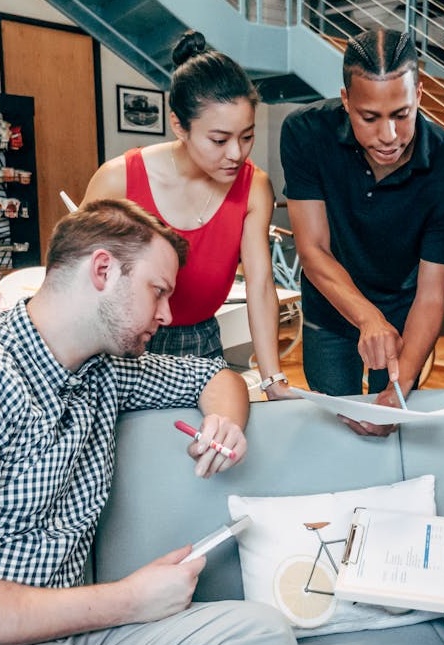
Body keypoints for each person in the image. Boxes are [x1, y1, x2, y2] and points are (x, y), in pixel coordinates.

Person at [0, 199, 297, 645]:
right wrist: (129, 600)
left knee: (260, 637)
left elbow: (216, 374)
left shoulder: (104, 369)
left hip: (79, 640)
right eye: (157, 292)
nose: (167, 315)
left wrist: (224, 420)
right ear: (103, 270)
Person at [280, 27, 444, 434]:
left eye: (401, 114)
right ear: (346, 99)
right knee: (338, 425)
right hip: (330, 312)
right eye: (369, 118)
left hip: (407, 314)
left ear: (419, 96)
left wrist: (399, 391)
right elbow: (313, 250)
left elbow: (432, 291)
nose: (388, 136)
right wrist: (367, 317)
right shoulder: (305, 133)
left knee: (390, 423)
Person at [83, 29, 293, 400]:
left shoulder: (253, 187)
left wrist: (271, 379)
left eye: (247, 136)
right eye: (219, 139)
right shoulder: (118, 179)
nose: (236, 153)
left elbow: (260, 286)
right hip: (123, 344)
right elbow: (77, 282)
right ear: (179, 125)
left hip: (202, 340)